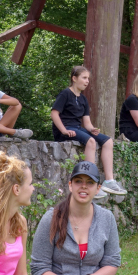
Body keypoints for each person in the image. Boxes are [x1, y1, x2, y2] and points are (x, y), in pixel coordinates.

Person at [30, 161, 135, 275]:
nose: (84, 186)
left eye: (90, 183)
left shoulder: (107, 218)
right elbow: (40, 267)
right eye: (79, 181)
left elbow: (112, 262)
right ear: (70, 185)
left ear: (98, 188)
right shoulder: (51, 218)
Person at [51, 66, 126, 200]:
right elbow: (54, 113)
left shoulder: (83, 99)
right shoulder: (65, 94)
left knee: (108, 141)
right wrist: (63, 130)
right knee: (91, 142)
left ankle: (109, 181)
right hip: (65, 128)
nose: (87, 81)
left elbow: (87, 123)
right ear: (74, 79)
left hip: (78, 128)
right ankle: (90, 181)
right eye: (84, 78)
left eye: (88, 79)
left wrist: (92, 130)